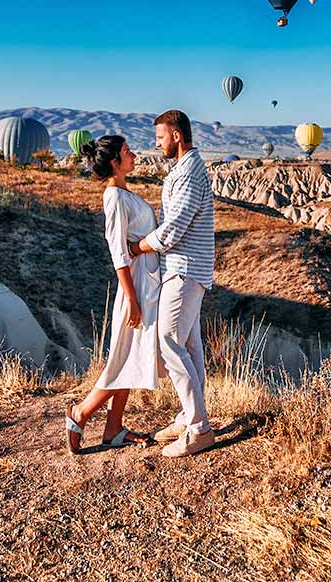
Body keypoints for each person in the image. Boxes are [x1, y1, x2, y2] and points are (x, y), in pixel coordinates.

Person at [64, 134, 162, 452]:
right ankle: (81, 412)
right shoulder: (115, 198)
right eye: (126, 152)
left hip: (145, 283)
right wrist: (131, 298)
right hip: (136, 286)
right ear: (114, 163)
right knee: (126, 357)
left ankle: (113, 429)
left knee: (130, 355)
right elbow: (118, 252)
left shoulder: (123, 192)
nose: (134, 155)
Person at [132, 109, 216, 457]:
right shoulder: (184, 170)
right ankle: (188, 417)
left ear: (177, 136)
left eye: (161, 138)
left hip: (184, 269)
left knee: (168, 343)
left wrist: (138, 247)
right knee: (190, 346)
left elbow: (173, 229)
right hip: (185, 269)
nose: (158, 145)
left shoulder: (189, 173)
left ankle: (199, 429)